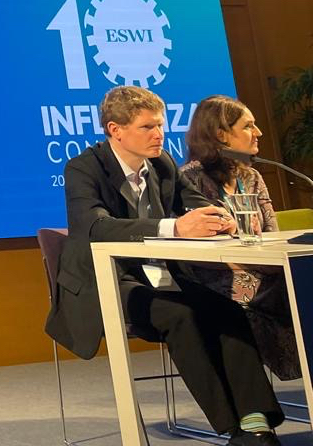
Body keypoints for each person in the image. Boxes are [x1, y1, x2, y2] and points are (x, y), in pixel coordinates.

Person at [45, 85, 284, 446]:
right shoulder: (83, 167)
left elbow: (196, 202)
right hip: (106, 280)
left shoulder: (162, 163)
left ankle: (256, 422)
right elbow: (95, 226)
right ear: (115, 130)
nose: (158, 134)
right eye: (147, 127)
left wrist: (222, 219)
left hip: (159, 275)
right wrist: (174, 227)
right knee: (180, 316)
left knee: (228, 310)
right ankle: (233, 429)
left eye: (160, 125)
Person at [181, 95, 301, 380]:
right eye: (248, 126)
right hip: (216, 276)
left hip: (264, 269)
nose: (258, 132)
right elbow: (194, 249)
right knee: (292, 292)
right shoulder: (189, 179)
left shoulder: (252, 177)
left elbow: (272, 234)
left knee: (301, 285)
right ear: (221, 134)